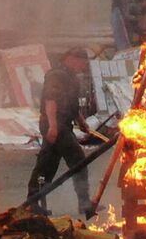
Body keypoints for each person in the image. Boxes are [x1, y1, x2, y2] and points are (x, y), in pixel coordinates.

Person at [27, 47, 95, 219]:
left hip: (63, 124)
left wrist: (81, 122)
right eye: (81, 63)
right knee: (77, 158)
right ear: (71, 58)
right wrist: (53, 126)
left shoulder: (72, 78)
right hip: (55, 123)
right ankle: (84, 202)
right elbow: (51, 100)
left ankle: (33, 202)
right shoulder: (56, 75)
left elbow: (72, 105)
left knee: (47, 163)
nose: (82, 67)